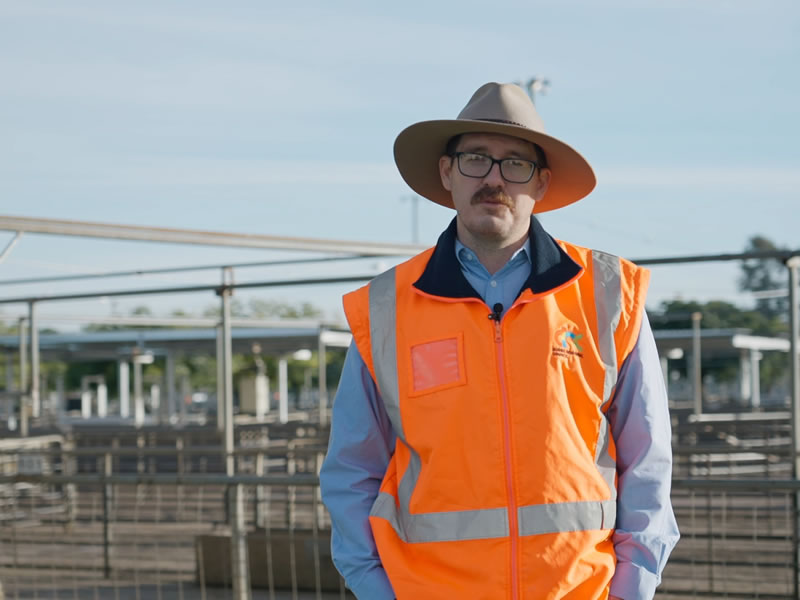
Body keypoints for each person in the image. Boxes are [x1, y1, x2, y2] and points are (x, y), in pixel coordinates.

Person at [320, 82, 679, 599]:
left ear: (541, 182)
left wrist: (632, 588)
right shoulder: (384, 310)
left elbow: (648, 462)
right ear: (447, 173)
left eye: (515, 164)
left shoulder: (608, 294)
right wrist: (378, 590)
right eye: (476, 159)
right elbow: (351, 471)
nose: (494, 178)